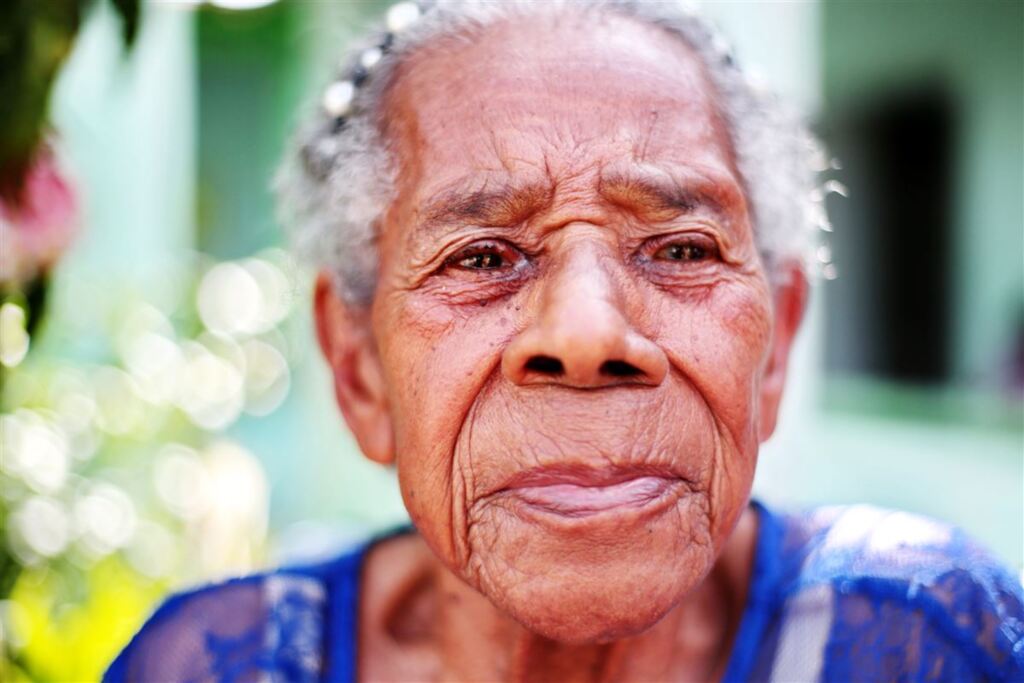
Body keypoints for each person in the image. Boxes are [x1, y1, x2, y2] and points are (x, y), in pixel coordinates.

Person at [105, 1, 1024, 680]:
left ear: (776, 344)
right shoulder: (209, 664)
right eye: (482, 257)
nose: (588, 335)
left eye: (679, 248)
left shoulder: (921, 632)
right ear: (358, 369)